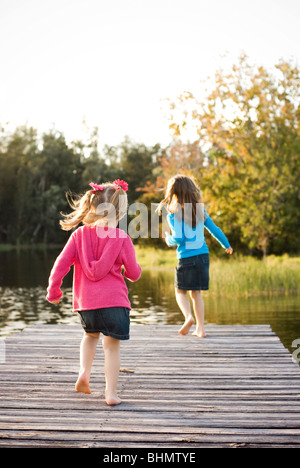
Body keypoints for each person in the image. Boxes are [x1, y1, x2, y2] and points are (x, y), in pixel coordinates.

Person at [46, 180, 141, 405]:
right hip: (114, 303)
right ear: (118, 213)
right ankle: (110, 393)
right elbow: (135, 273)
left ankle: (83, 375)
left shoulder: (78, 236)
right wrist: (129, 272)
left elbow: (61, 264)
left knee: (90, 337)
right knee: (111, 347)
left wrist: (53, 290)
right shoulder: (122, 238)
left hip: (86, 304)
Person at [159, 175, 233, 338]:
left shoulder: (173, 213)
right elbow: (215, 229)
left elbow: (178, 238)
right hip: (203, 256)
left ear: (173, 193)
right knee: (196, 293)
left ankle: (188, 317)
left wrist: (167, 239)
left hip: (186, 257)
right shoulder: (200, 211)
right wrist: (226, 245)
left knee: (180, 291)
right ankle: (201, 329)